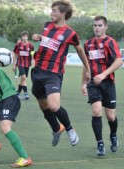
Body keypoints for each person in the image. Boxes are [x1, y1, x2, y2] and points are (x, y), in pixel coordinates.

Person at [31, 0, 90, 147]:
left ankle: (69, 129)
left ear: (63, 13)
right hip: (37, 71)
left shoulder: (71, 33)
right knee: (43, 105)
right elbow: (48, 41)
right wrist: (38, 37)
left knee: (54, 106)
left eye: (54, 11)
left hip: (53, 74)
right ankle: (57, 129)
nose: (51, 13)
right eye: (51, 10)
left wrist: (88, 68)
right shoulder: (46, 25)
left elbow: (80, 50)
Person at [81, 15, 123, 156]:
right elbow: (86, 65)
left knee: (111, 116)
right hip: (93, 83)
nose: (97, 28)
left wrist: (104, 74)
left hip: (108, 83)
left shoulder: (110, 42)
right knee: (96, 111)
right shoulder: (88, 44)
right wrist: (83, 83)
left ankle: (113, 135)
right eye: (95, 25)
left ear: (105, 27)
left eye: (100, 25)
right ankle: (100, 143)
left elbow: (119, 61)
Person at [13, 31, 34, 100]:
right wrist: (14, 65)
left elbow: (32, 54)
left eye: (25, 36)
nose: (24, 37)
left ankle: (18, 92)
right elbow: (15, 54)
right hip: (20, 63)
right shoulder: (18, 45)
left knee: (22, 79)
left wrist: (32, 61)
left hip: (27, 64)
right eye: (23, 36)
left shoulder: (31, 46)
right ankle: (26, 93)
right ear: (21, 37)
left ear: (28, 37)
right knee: (24, 78)